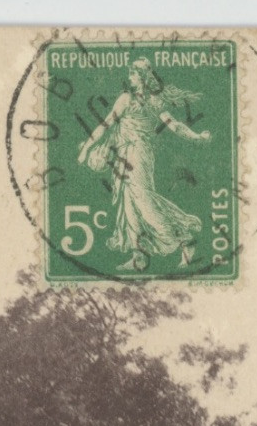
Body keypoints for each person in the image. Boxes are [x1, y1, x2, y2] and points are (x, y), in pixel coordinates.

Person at [76, 57, 212, 273]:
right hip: (123, 153)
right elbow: (106, 124)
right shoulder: (124, 99)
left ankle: (184, 239)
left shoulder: (154, 102)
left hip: (140, 152)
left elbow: (174, 125)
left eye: (132, 74)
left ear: (141, 77)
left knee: (144, 200)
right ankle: (138, 256)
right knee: (128, 203)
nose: (129, 77)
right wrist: (86, 149)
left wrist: (196, 137)